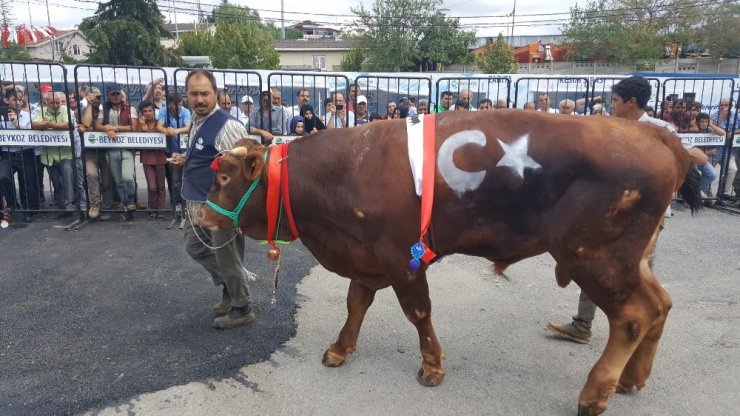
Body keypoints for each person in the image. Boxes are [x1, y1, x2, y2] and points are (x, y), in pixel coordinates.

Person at [547, 76, 708, 344]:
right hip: (609, 211)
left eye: (617, 101)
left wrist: (664, 155)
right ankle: (582, 324)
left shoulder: (658, 129)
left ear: (632, 102)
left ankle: (639, 328)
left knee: (638, 272)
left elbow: (700, 157)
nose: (612, 106)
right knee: (593, 263)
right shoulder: (606, 128)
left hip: (645, 217)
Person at [171, 69, 256, 329]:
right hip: (199, 202)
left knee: (227, 256)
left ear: (215, 94)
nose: (199, 99)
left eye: (205, 94)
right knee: (195, 248)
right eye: (194, 93)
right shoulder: (197, 120)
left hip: (222, 209)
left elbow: (246, 169)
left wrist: (240, 213)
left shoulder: (228, 126)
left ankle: (242, 307)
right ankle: (231, 289)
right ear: (187, 95)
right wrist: (186, 160)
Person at [95, 88, 139, 218]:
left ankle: (130, 198)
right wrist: (106, 129)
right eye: (112, 94)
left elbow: (134, 127)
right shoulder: (105, 109)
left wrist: (114, 128)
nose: (115, 96)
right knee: (118, 181)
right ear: (108, 97)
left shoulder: (130, 108)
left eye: (117, 93)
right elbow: (98, 125)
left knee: (127, 177)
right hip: (111, 149)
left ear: (121, 95)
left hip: (126, 149)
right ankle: (127, 206)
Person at [32, 91, 76, 216]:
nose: (56, 105)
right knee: (56, 183)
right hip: (49, 155)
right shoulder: (41, 111)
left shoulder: (66, 110)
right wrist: (41, 124)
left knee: (67, 176)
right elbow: (34, 123)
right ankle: (63, 207)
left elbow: (69, 124)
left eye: (57, 102)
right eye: (52, 103)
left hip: (66, 154)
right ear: (46, 103)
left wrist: (50, 124)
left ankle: (69, 203)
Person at [0, 88, 39, 222]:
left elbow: (30, 134)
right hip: (8, 153)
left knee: (27, 182)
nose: (18, 102)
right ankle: (12, 204)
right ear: (6, 100)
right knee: (3, 177)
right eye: (14, 99)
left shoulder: (29, 116)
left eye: (20, 99)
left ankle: (28, 210)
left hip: (26, 152)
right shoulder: (1, 116)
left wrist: (17, 124)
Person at [78, 86, 115, 221]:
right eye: (93, 97)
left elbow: (100, 127)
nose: (96, 100)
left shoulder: (104, 112)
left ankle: (107, 206)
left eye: (98, 97)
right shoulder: (81, 110)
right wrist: (88, 105)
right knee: (92, 175)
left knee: (106, 180)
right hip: (89, 153)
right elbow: (86, 123)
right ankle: (95, 205)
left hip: (104, 150)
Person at [157, 92, 191, 218]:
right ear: (170, 104)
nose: (179, 107)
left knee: (185, 178)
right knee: (174, 179)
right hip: (170, 149)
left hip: (184, 149)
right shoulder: (164, 111)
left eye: (180, 104)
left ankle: (185, 205)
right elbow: (158, 126)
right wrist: (167, 130)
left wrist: (175, 130)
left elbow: (188, 127)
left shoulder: (186, 111)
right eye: (176, 104)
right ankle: (176, 204)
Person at [138, 100, 167, 220]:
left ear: (154, 111)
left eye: (150, 110)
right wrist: (143, 127)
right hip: (147, 158)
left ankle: (160, 210)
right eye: (145, 111)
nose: (148, 113)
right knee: (152, 186)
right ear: (142, 113)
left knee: (161, 185)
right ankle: (152, 208)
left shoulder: (159, 123)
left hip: (160, 157)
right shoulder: (139, 124)